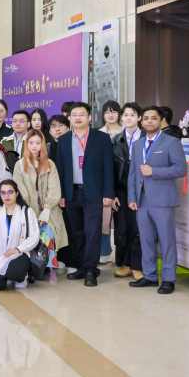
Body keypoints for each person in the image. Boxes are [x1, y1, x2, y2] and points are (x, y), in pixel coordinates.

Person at [128, 106, 187, 294]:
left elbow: (181, 169)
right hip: (141, 200)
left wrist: (154, 171)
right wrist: (132, 197)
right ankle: (150, 276)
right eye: (146, 118)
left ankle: (168, 279)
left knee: (167, 240)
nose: (149, 121)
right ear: (141, 121)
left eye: (153, 118)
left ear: (161, 121)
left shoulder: (171, 142)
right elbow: (133, 173)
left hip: (163, 200)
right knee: (146, 240)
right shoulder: (137, 144)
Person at [56, 102, 114, 287]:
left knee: (93, 232)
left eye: (82, 114)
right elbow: (60, 169)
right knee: (77, 233)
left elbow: (108, 167)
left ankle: (91, 270)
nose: (78, 118)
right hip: (71, 193)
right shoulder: (63, 140)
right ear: (69, 118)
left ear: (89, 118)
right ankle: (81, 266)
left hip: (94, 193)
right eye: (74, 115)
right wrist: (61, 194)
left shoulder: (102, 138)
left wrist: (108, 193)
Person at [12, 129, 69, 274]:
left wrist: (46, 211)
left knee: (47, 231)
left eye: (38, 143)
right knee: (30, 232)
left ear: (42, 144)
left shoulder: (50, 164)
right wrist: (32, 214)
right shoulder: (19, 165)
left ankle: (45, 264)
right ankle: (32, 264)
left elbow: (54, 190)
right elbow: (21, 192)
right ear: (26, 144)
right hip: (27, 209)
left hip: (49, 208)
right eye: (31, 143)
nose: (34, 146)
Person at [0, 180, 40, 290]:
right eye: (3, 193)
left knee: (15, 271)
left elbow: (34, 237)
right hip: (1, 254)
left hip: (21, 253)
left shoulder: (27, 211)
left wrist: (17, 250)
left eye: (10, 192)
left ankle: (21, 277)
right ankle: (6, 276)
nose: (6, 195)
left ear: (16, 193)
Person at [112, 102, 144, 280]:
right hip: (122, 189)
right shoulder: (115, 140)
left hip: (142, 189)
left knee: (139, 227)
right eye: (125, 115)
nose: (129, 118)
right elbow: (110, 168)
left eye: (132, 115)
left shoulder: (146, 137)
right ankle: (126, 264)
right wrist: (112, 193)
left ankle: (138, 266)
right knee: (122, 228)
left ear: (139, 117)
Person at [99, 100, 123, 264]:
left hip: (123, 182)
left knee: (123, 221)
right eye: (107, 112)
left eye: (114, 111)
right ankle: (104, 252)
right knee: (104, 219)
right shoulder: (98, 134)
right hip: (105, 181)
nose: (111, 115)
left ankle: (123, 257)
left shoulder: (126, 132)